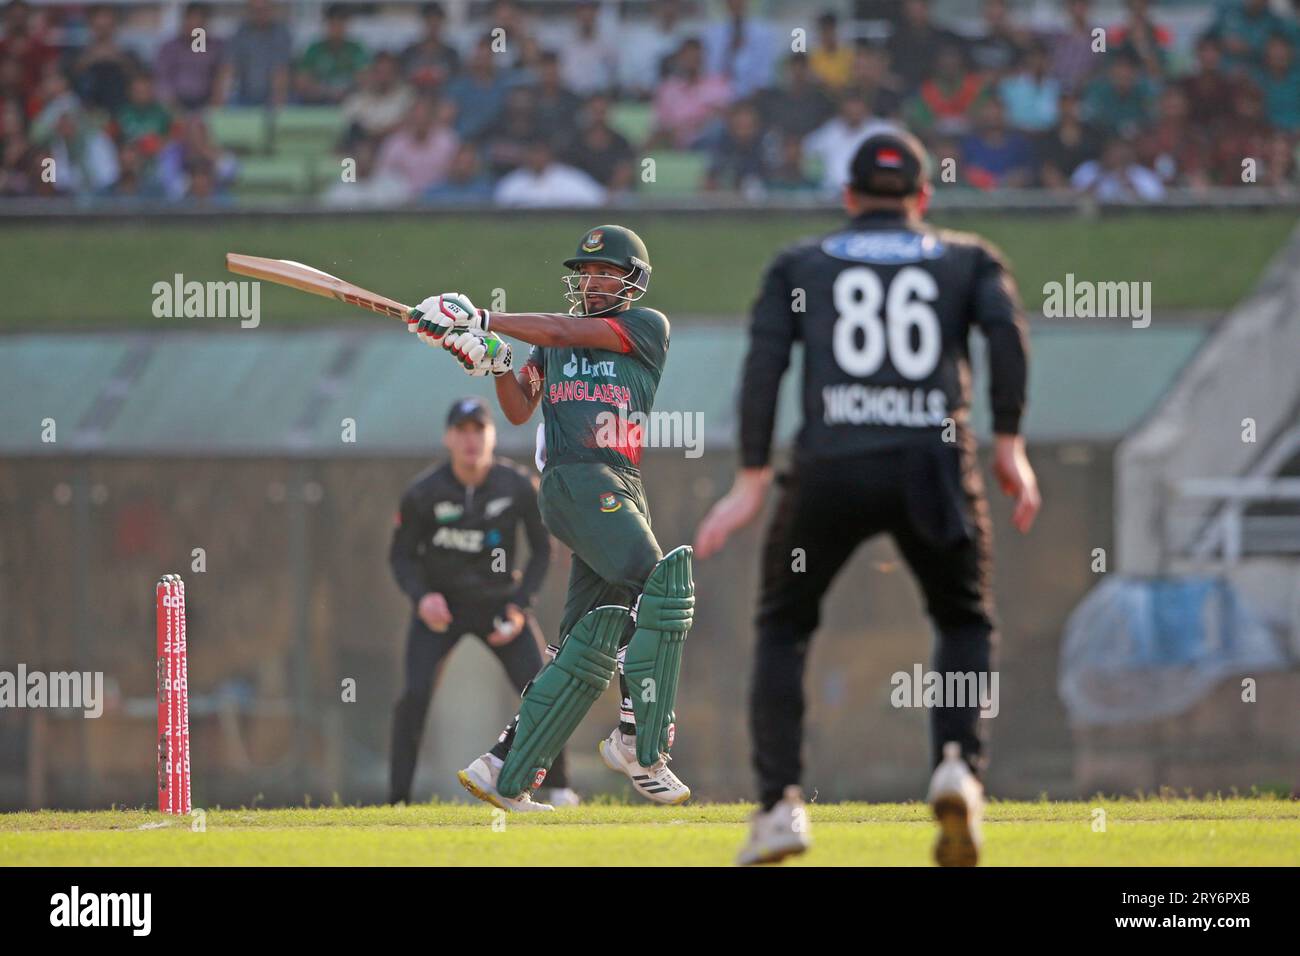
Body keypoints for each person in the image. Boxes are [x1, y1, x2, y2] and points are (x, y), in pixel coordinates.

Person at [695, 130, 1039, 866]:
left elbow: (764, 364)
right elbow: (1006, 334)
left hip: (830, 465)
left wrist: (752, 477)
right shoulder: (967, 257)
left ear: (848, 198)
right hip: (934, 465)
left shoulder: (801, 263)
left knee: (784, 625)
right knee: (962, 616)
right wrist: (1008, 441)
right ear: (922, 197)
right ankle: (956, 765)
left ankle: (781, 805)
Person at [405, 225, 694, 812]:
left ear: (631, 280)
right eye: (585, 273)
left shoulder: (645, 328)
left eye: (605, 272)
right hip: (578, 480)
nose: (591, 282)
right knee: (662, 588)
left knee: (585, 644)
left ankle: (502, 770)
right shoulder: (553, 344)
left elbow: (564, 329)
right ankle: (639, 741)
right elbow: (517, 408)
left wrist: (484, 324)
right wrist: (493, 362)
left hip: (619, 482)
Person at [387, 397, 573, 806]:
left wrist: (519, 605)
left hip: (499, 608)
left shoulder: (518, 486)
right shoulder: (423, 493)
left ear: (492, 436)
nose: (471, 440)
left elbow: (543, 551)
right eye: (463, 431)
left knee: (544, 690)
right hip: (441, 612)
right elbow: (400, 555)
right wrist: (422, 599)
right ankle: (397, 800)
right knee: (414, 695)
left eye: (479, 430)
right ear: (448, 437)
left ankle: (559, 789)